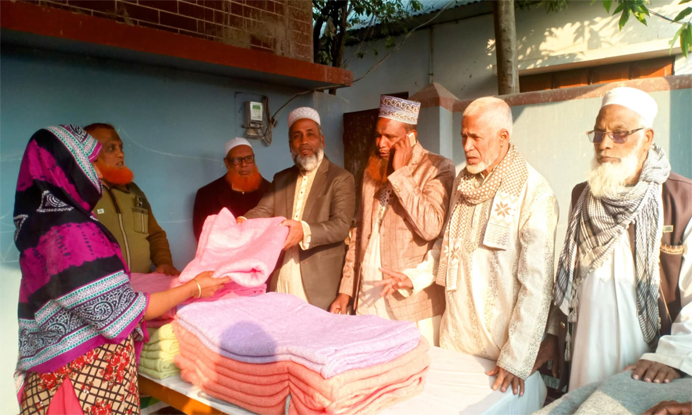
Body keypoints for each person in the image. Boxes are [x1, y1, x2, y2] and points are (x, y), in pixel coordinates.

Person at [14, 125, 228, 415]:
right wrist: (195, 287)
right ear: (67, 167)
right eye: (91, 162)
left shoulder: (41, 224)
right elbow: (125, 310)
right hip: (84, 383)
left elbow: (153, 236)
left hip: (57, 374)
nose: (98, 172)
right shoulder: (70, 231)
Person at [372, 97, 559, 396]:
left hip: (501, 352)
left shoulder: (534, 193)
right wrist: (415, 277)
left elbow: (537, 287)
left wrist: (516, 358)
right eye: (463, 136)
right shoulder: (463, 182)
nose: (467, 146)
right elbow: (446, 246)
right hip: (454, 339)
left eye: (476, 138)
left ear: (503, 137)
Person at [533, 87, 692, 392]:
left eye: (619, 133)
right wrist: (554, 335)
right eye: (598, 133)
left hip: (645, 361)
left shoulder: (681, 200)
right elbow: (569, 276)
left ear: (647, 137)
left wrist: (671, 357)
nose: (604, 144)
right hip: (584, 347)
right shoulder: (582, 195)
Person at [329, 96, 456, 347]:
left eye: (389, 137)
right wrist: (345, 292)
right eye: (378, 136)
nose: (381, 144)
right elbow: (359, 233)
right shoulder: (372, 170)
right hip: (367, 299)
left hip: (411, 306)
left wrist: (401, 173)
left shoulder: (437, 168)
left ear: (411, 137)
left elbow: (430, 227)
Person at [241, 107, 356, 310]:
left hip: (319, 286)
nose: (304, 141)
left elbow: (340, 226)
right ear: (290, 146)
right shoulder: (281, 179)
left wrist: (304, 230)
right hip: (281, 276)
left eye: (310, 134)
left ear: (322, 140)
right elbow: (262, 211)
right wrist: (242, 222)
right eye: (297, 136)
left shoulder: (340, 178)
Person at [85, 123, 179, 275]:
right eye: (111, 148)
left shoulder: (134, 191)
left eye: (120, 147)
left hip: (144, 284)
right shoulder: (79, 195)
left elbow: (155, 235)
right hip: (104, 287)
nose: (120, 154)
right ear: (89, 154)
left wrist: (164, 263)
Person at [193, 137, 269, 241]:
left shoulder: (271, 190)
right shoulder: (206, 195)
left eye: (248, 158)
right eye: (237, 160)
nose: (244, 164)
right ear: (226, 162)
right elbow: (202, 236)